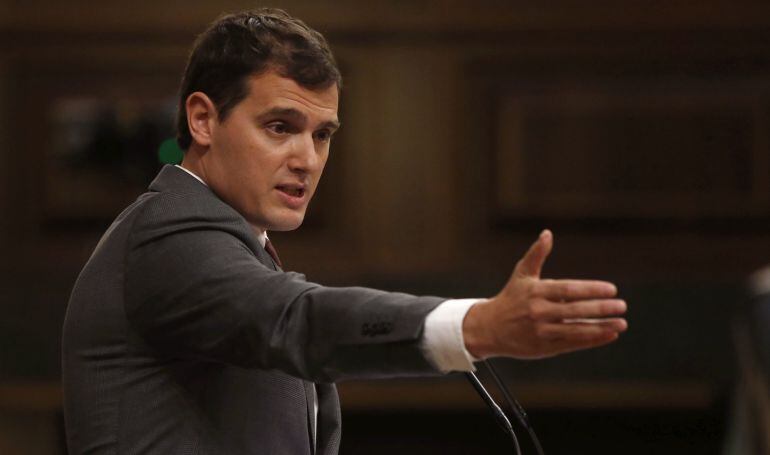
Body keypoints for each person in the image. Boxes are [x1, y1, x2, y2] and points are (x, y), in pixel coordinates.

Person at [61, 8, 628, 455]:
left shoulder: (235, 245)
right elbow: (296, 319)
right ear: (203, 119)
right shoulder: (168, 234)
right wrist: (474, 325)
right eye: (280, 127)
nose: (307, 158)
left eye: (322, 134)